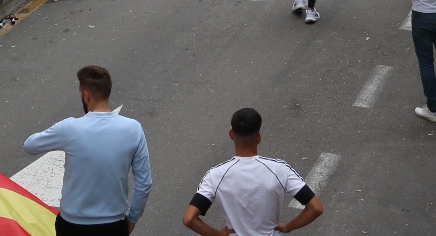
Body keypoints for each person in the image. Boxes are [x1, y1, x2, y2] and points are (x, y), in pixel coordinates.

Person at [23, 66, 152, 235]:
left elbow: (30, 145)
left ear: (86, 94)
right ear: (108, 92)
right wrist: (132, 219)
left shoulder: (70, 128)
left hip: (72, 225)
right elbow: (144, 183)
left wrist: (61, 131)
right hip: (113, 225)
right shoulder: (133, 129)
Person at [183, 108, 323, 236]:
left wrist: (218, 235)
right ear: (259, 138)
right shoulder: (280, 169)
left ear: (231, 134)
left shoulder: (215, 175)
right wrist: (287, 227)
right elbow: (316, 208)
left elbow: (189, 219)